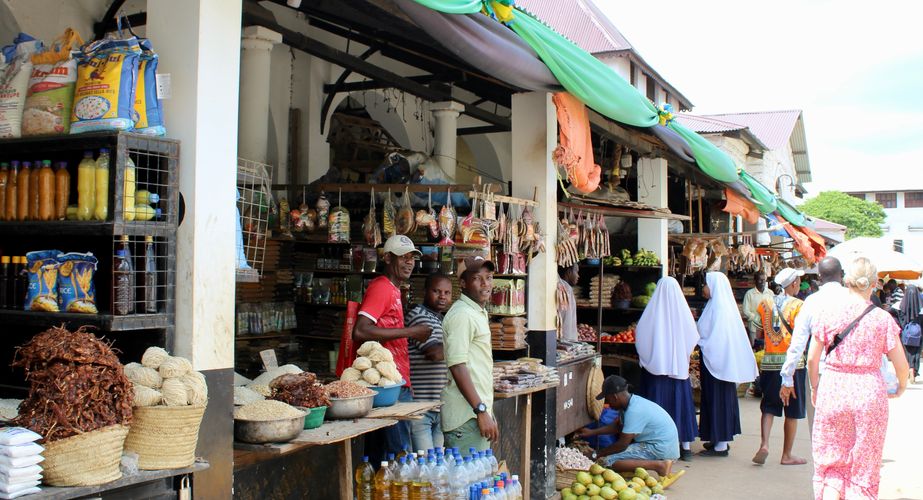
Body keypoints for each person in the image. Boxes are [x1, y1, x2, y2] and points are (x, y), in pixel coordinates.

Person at [808, 256, 909, 499]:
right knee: (863, 467)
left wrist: (815, 387)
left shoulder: (827, 312)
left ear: (846, 280)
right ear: (874, 283)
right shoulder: (882, 319)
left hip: (833, 388)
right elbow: (901, 365)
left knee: (831, 463)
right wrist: (901, 387)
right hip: (868, 393)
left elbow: (812, 359)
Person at [354, 235, 432, 459]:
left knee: (385, 457)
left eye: (412, 258)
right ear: (387, 258)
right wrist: (412, 332)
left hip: (394, 385)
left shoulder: (394, 289)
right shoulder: (382, 288)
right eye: (403, 257)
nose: (409, 262)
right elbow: (360, 331)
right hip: (387, 389)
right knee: (397, 457)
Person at [779, 257, 848, 432]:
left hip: (820, 372)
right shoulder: (854, 300)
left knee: (820, 430)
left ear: (819, 276)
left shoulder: (812, 302)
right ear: (841, 275)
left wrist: (787, 377)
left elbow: (798, 342)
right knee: (846, 430)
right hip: (850, 373)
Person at [634, 277, 699, 461]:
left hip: (656, 373)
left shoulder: (651, 313)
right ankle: (685, 447)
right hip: (678, 371)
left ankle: (655, 446)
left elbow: (641, 338)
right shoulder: (684, 313)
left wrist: (651, 359)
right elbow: (693, 337)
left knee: (657, 407)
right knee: (681, 406)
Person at [696, 272, 759, 458]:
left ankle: (721, 445)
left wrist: (699, 339)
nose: (703, 289)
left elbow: (714, 338)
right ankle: (716, 439)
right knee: (714, 399)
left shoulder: (719, 309)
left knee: (718, 400)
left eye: (705, 285)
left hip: (717, 363)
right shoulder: (715, 306)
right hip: (716, 362)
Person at [441, 256, 498, 452]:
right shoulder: (462, 315)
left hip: (476, 414)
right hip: (467, 418)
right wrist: (480, 411)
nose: (485, 284)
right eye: (477, 278)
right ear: (463, 283)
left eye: (489, 277)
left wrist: (487, 411)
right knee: (466, 481)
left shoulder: (476, 312)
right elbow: (457, 366)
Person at [754, 267, 808, 466]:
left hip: (769, 363)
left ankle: (765, 444)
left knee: (768, 406)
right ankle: (787, 455)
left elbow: (760, 333)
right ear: (793, 283)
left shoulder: (765, 303)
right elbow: (803, 335)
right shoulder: (798, 305)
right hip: (793, 364)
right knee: (791, 411)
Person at [575, 375, 677, 477]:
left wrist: (596, 454)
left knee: (609, 461)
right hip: (662, 444)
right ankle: (640, 466)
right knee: (611, 457)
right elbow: (618, 426)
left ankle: (660, 465)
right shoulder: (631, 402)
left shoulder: (634, 411)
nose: (608, 403)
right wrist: (592, 432)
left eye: (607, 399)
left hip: (660, 448)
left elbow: (622, 445)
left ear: (614, 397)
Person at [405, 272, 453, 452]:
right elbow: (434, 353)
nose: (442, 296)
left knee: (437, 467)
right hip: (421, 407)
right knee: (424, 467)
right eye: (436, 291)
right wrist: (463, 347)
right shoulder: (418, 316)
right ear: (425, 291)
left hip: (440, 406)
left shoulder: (441, 319)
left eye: (447, 293)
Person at [742, 272, 775, 348]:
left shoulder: (770, 293)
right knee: (754, 347)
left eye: (764, 280)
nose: (762, 282)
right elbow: (745, 310)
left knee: (767, 348)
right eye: (760, 280)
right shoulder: (749, 294)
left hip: (767, 327)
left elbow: (774, 308)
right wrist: (756, 318)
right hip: (754, 327)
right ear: (755, 281)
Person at [898, 284, 922, 382]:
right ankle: (914, 370)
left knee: (907, 352)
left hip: (906, 334)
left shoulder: (900, 305)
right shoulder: (921, 306)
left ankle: (908, 369)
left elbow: (895, 316)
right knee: (916, 352)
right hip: (919, 333)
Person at [556, 264, 579, 341]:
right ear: (569, 272)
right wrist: (568, 341)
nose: (578, 276)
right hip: (565, 339)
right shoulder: (566, 289)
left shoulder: (561, 286)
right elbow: (567, 317)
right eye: (576, 272)